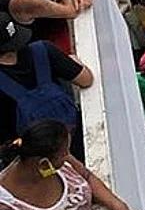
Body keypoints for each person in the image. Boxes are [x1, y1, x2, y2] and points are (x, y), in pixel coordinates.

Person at [0, 119, 141, 210]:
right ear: (43, 164)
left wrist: (121, 209)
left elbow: (87, 176)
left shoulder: (57, 158)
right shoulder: (7, 208)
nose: (68, 156)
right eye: (64, 153)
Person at [0, 12, 92, 144]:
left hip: (36, 154)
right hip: (75, 134)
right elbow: (86, 80)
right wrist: (74, 61)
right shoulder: (43, 49)